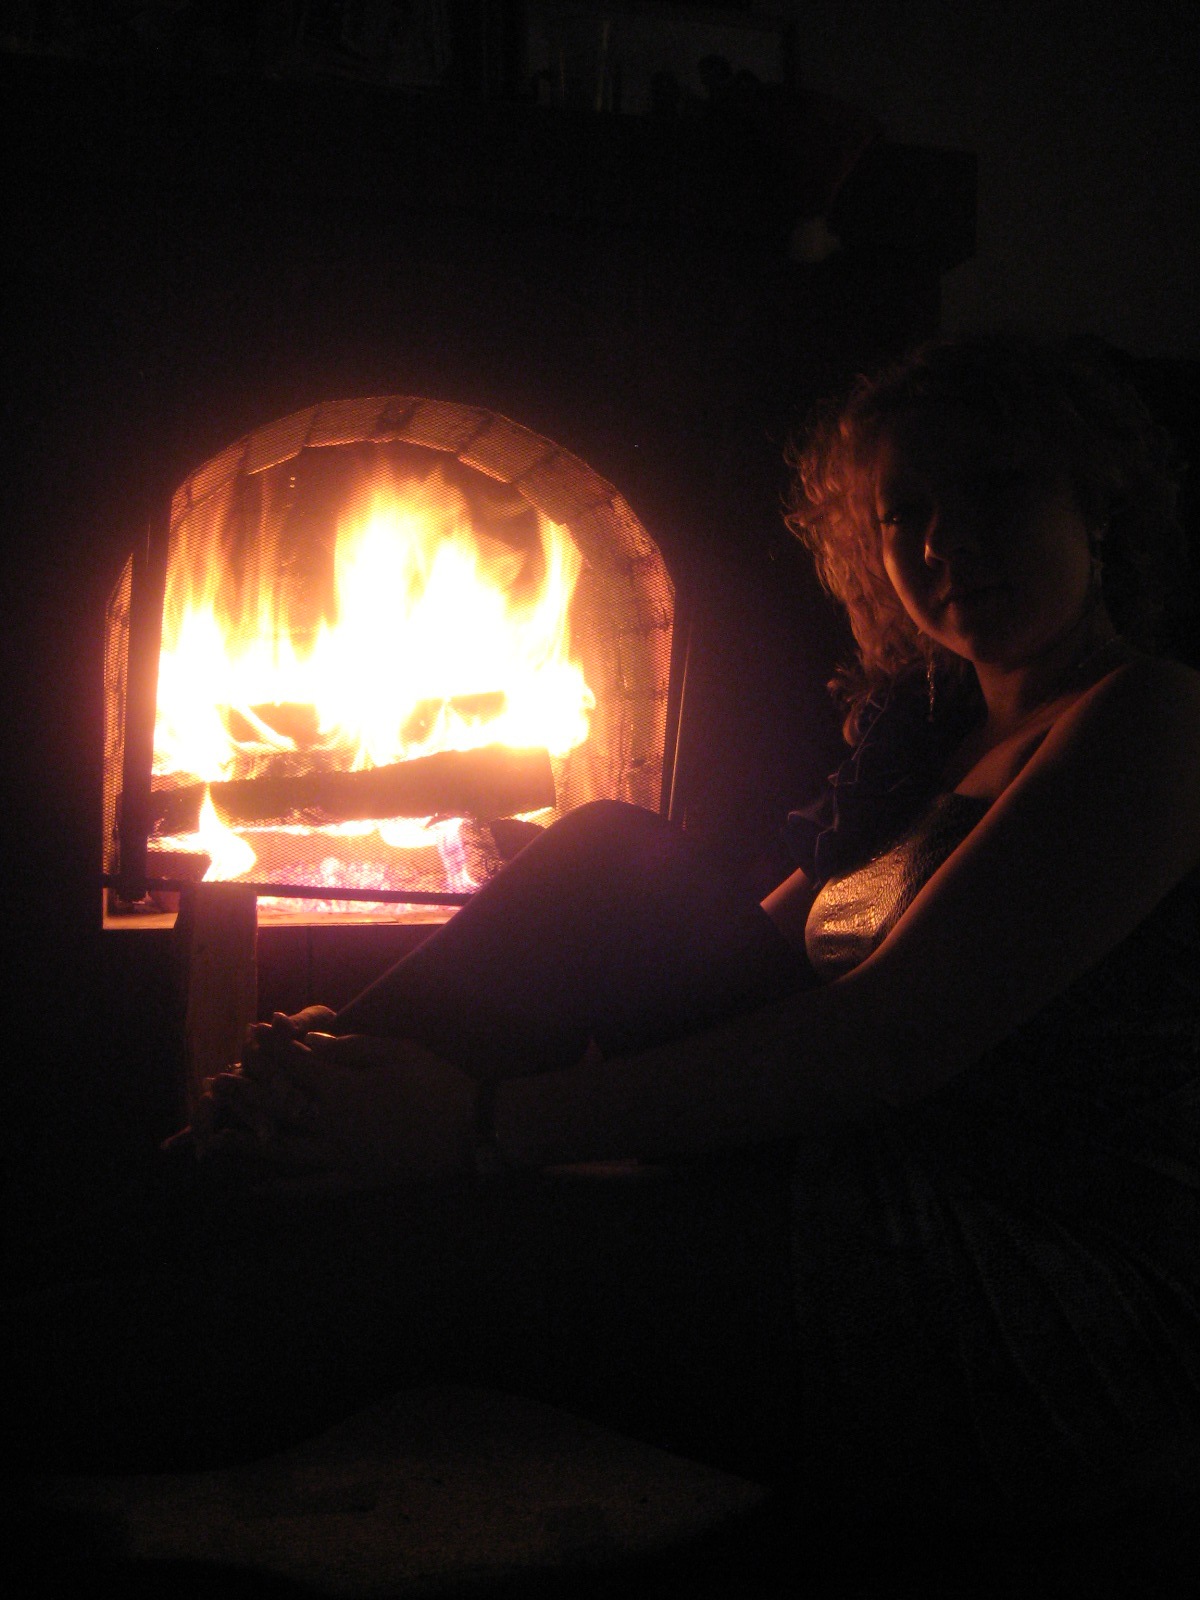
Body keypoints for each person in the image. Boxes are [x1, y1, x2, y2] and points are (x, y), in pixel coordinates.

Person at [13, 335, 1200, 1524]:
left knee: (424, 1251)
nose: (946, 542)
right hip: (854, 1181)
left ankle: (116, 1271)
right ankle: (249, 1141)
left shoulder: (1154, 718)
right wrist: (365, 1080)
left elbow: (883, 1040)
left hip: (1020, 1288)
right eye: (908, 512)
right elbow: (697, 947)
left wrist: (479, 1128)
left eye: (996, 489)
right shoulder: (925, 742)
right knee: (604, 871)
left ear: (1097, 498)